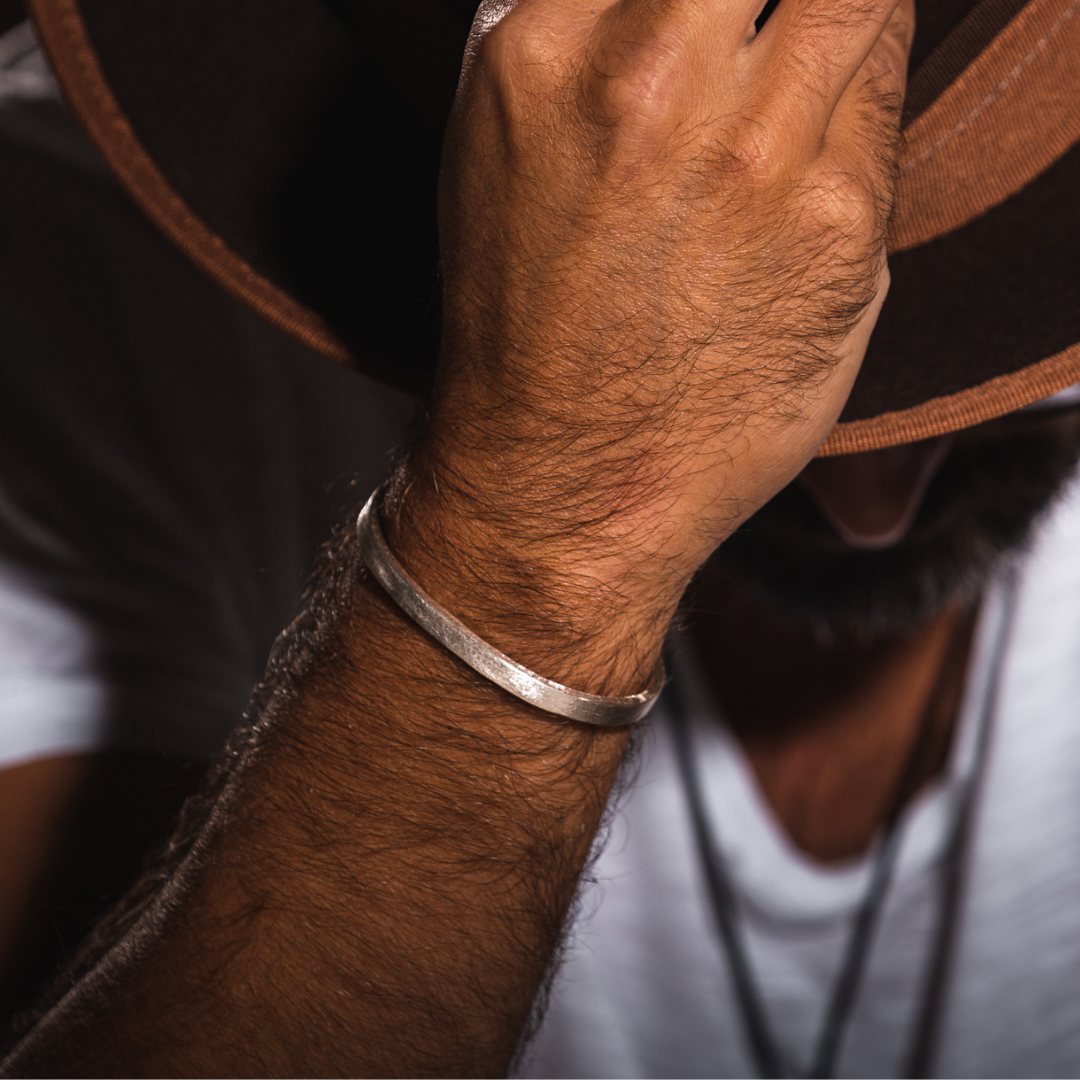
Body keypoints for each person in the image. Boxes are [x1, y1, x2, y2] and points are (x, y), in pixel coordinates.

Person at [1, 0, 1079, 1076]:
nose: (870, 516)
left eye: (1015, 381)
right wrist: (542, 531)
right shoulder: (94, 280)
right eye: (840, 414)